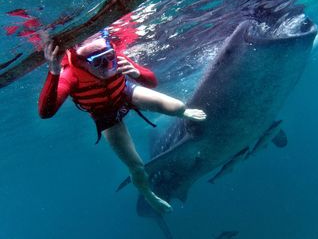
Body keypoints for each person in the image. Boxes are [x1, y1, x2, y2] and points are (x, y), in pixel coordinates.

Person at [38, 30, 206, 214]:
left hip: (124, 92)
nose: (107, 66)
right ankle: (148, 194)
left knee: (178, 106)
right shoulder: (70, 74)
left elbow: (152, 82)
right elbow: (46, 112)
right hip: (104, 113)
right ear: (84, 62)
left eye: (109, 57)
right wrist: (53, 71)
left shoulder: (117, 57)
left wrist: (136, 73)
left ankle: (183, 111)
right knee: (137, 167)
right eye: (98, 62)